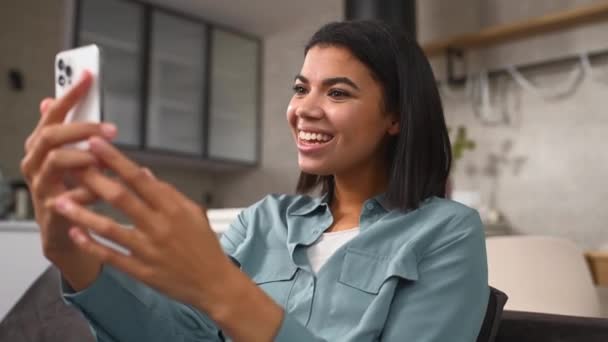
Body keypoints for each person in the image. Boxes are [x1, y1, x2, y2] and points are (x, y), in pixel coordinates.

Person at [20, 21, 488, 341]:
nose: (304, 107)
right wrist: (73, 255)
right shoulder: (263, 221)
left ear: (396, 117)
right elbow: (180, 335)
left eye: (338, 92)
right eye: (301, 87)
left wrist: (224, 291)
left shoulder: (447, 232)